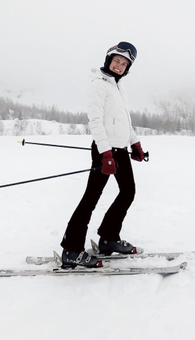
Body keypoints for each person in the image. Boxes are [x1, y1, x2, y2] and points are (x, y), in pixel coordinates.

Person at [60, 42, 145, 268]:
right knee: (91, 198)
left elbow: (124, 120)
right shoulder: (98, 85)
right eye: (117, 60)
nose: (119, 65)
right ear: (109, 60)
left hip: (120, 150)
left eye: (124, 63)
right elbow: (96, 122)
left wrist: (135, 143)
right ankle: (71, 249)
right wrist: (105, 153)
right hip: (104, 150)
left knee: (128, 192)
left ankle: (108, 238)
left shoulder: (118, 87)